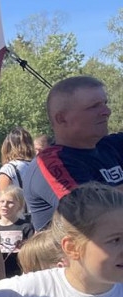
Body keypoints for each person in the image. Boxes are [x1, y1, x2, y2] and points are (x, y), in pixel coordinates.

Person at [23, 75, 123, 231]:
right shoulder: (51, 161)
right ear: (62, 119)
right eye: (94, 106)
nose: (107, 111)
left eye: (105, 103)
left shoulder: (110, 145)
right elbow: (91, 212)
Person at [0, 127, 36, 213]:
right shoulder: (36, 167)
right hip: (32, 220)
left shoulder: (9, 169)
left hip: (10, 222)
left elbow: (3, 203)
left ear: (7, 146)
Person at [0, 186, 34, 278]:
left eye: (10, 202)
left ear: (19, 206)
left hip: (19, 274)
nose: (5, 205)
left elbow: (30, 253)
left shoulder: (26, 227)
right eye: (2, 201)